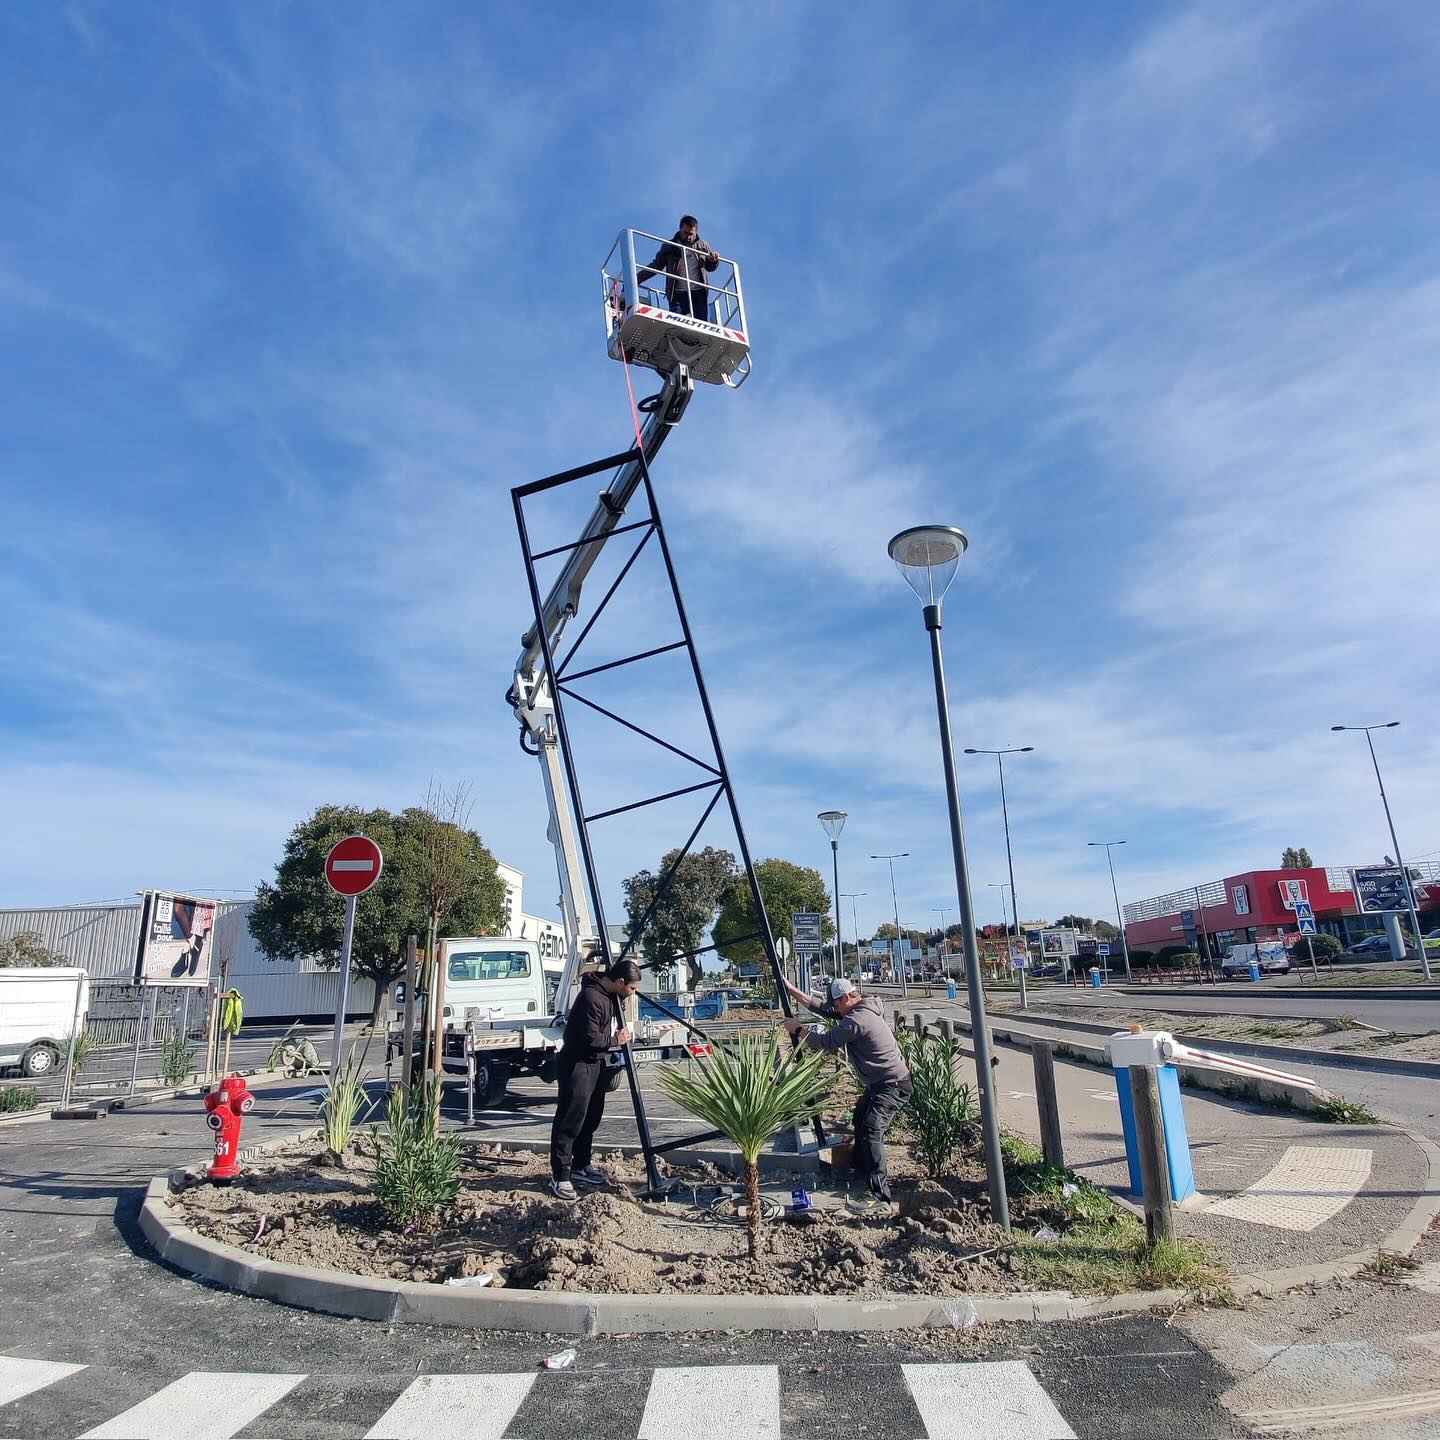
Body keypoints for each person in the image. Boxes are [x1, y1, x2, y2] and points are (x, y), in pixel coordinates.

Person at [780, 975, 912, 1216]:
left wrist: (797, 1029)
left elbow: (826, 1042)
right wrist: (792, 991)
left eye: (837, 1004)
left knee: (872, 1129)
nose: (835, 1009)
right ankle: (863, 1173)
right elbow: (824, 1009)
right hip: (881, 1083)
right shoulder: (860, 1007)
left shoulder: (858, 1019)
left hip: (892, 1085)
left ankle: (879, 1196)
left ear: (845, 998)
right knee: (860, 1120)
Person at [549, 959, 642, 1200]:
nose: (633, 994)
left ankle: (581, 1165)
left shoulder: (610, 996)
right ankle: (560, 1176)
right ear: (620, 982)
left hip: (595, 1064)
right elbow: (590, 1038)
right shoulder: (591, 998)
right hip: (577, 1064)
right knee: (571, 1119)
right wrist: (616, 1040)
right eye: (632, 988)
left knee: (590, 1117)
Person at [637, 215, 720, 322]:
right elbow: (656, 266)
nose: (688, 237)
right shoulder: (670, 247)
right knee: (676, 326)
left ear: (696, 232)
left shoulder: (703, 246)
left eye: (691, 234)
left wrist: (714, 260)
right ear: (680, 229)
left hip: (698, 292)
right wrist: (635, 279)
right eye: (685, 233)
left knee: (701, 325)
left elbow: (709, 267)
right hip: (677, 295)